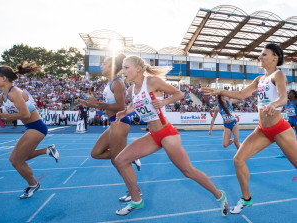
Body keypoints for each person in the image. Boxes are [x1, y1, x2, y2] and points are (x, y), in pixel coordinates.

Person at [114, 55, 229, 216]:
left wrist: (163, 103)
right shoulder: (132, 89)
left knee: (187, 171)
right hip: (153, 135)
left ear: (138, 68)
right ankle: (136, 201)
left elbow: (179, 94)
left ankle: (219, 194)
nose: (123, 71)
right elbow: (136, 104)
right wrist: (125, 111)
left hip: (167, 133)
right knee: (120, 160)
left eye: (126, 68)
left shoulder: (152, 82)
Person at [201, 43, 297, 214]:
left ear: (275, 57)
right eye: (260, 55)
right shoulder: (259, 80)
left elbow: (283, 98)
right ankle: (246, 199)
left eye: (264, 54)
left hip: (280, 129)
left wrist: (273, 105)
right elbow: (241, 95)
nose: (260, 57)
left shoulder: (279, 75)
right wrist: (220, 90)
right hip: (262, 130)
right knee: (238, 160)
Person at [77, 54, 141, 202]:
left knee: (117, 161)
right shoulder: (110, 83)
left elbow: (120, 106)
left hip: (120, 122)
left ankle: (135, 191)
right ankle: (129, 157)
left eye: (104, 63)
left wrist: (96, 104)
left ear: (112, 66)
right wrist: (90, 104)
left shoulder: (118, 83)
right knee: (96, 153)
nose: (101, 66)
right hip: (113, 123)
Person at [0, 61, 59, 199]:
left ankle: (33, 184)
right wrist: (1, 118)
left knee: (17, 161)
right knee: (15, 159)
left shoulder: (15, 93)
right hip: (30, 127)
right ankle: (47, 150)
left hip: (37, 127)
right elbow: (10, 116)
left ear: (3, 78)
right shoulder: (2, 96)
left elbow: (25, 115)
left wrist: (2, 115)